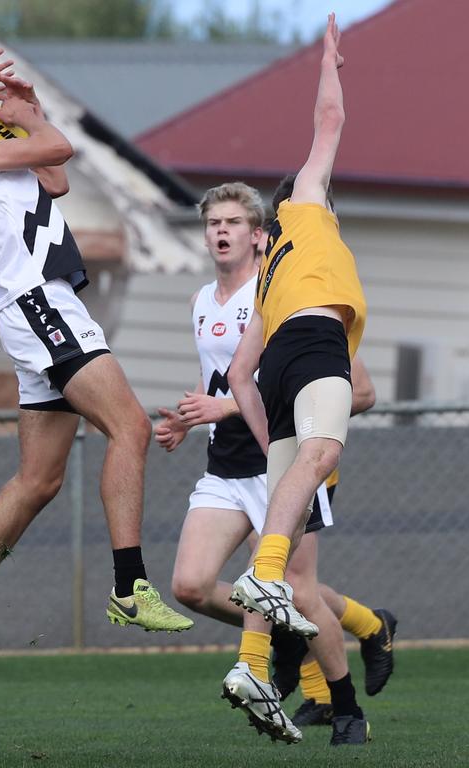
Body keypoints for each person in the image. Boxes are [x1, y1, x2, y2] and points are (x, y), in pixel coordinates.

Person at [0, 69, 192, 685]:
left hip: (36, 306)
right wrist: (30, 119)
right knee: (129, 427)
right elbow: (58, 148)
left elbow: (55, 178)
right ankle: (131, 586)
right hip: (40, 303)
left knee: (37, 480)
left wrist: (30, 110)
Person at [154, 182, 393, 740]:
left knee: (296, 589)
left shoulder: (288, 292)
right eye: (214, 222)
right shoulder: (200, 302)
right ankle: (348, 626)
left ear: (261, 235)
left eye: (235, 222)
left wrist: (230, 407)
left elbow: (357, 390)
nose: (222, 231)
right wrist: (190, 418)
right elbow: (218, 377)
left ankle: (346, 706)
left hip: (279, 460)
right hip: (225, 466)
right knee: (191, 586)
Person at [224, 14, 371, 745]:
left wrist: (267, 435)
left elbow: (240, 375)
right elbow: (330, 121)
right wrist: (330, 65)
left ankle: (254, 659)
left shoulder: (264, 284)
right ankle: (265, 597)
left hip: (281, 365)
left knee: (282, 519)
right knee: (323, 457)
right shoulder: (307, 212)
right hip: (314, 346)